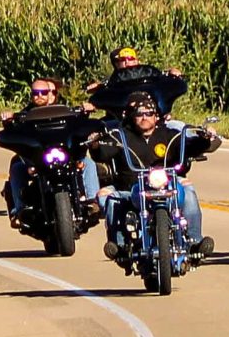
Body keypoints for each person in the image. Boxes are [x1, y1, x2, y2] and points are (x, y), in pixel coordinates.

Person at [92, 91, 221, 265]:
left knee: (188, 191)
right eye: (139, 114)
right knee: (106, 198)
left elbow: (190, 146)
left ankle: (195, 243)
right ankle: (120, 246)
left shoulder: (170, 134)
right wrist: (94, 144)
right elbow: (103, 152)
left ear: (156, 116)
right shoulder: (120, 136)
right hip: (130, 189)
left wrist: (204, 139)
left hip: (169, 184)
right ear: (131, 116)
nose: (144, 117)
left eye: (149, 113)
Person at [0, 77, 102, 228]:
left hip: (64, 156)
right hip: (38, 159)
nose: (40, 96)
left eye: (44, 92)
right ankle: (19, 210)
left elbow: (78, 125)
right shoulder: (24, 116)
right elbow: (13, 132)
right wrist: (7, 121)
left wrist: (85, 112)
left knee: (87, 163)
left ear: (51, 94)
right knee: (17, 168)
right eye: (36, 93)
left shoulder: (65, 111)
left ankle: (93, 202)